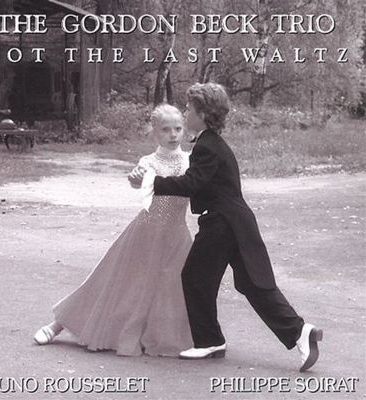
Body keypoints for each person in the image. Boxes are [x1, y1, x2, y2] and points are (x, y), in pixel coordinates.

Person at [129, 83, 323, 372]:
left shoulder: (207, 146)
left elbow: (192, 183)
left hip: (222, 223)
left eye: (189, 110)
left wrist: (151, 182)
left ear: (203, 114)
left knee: (194, 277)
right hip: (235, 222)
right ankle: (299, 332)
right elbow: (199, 181)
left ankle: (209, 341)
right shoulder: (212, 143)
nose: (185, 113)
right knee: (252, 283)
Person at [34, 104, 193, 356]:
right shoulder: (148, 162)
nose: (173, 135)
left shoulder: (190, 161)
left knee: (172, 287)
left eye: (178, 129)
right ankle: (58, 325)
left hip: (176, 235)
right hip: (146, 233)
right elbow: (139, 183)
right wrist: (136, 178)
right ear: (154, 132)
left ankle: (156, 333)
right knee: (111, 281)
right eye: (165, 129)